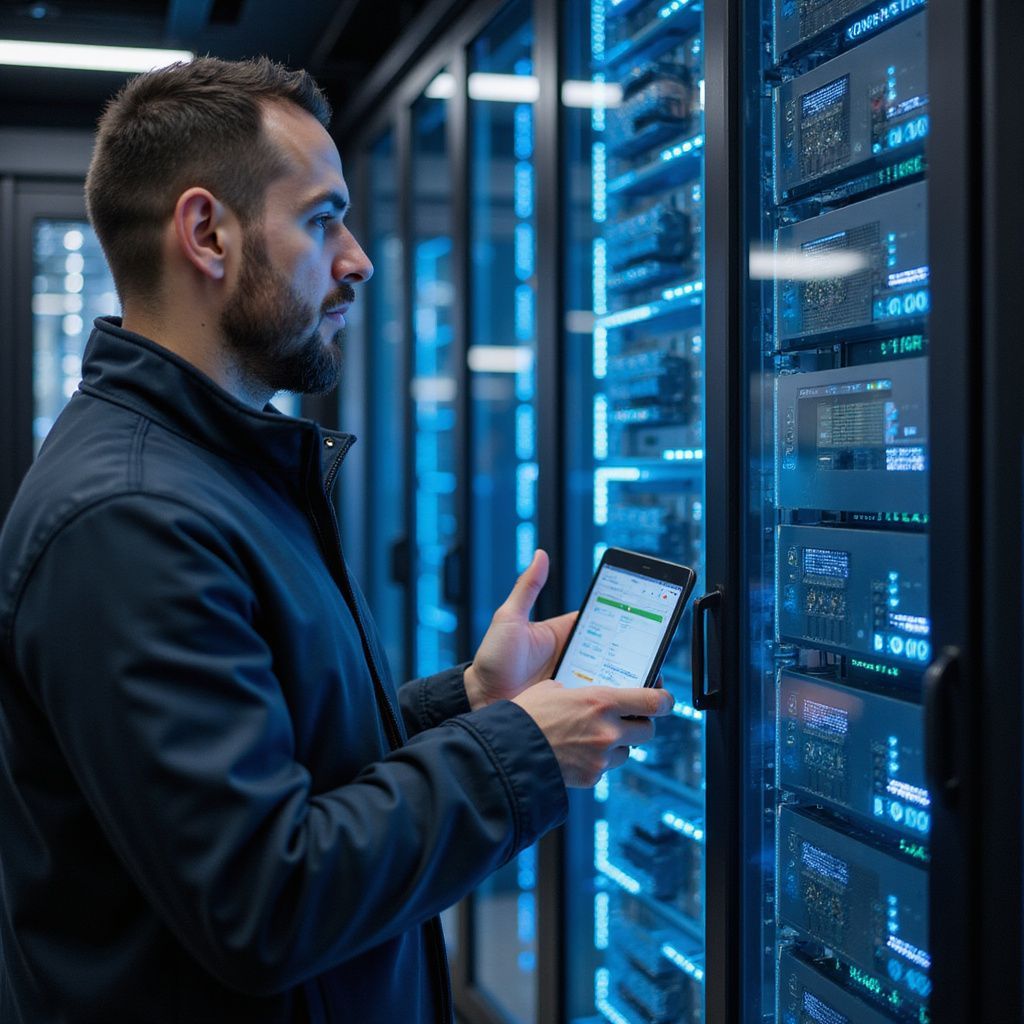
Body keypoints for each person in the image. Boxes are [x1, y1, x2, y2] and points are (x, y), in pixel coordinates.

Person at [0, 57, 674, 1023]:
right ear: (207, 233)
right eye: (323, 219)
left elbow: (289, 767)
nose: (357, 257)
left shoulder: (217, 469)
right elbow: (265, 901)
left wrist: (473, 701)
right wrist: (521, 749)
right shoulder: (133, 518)